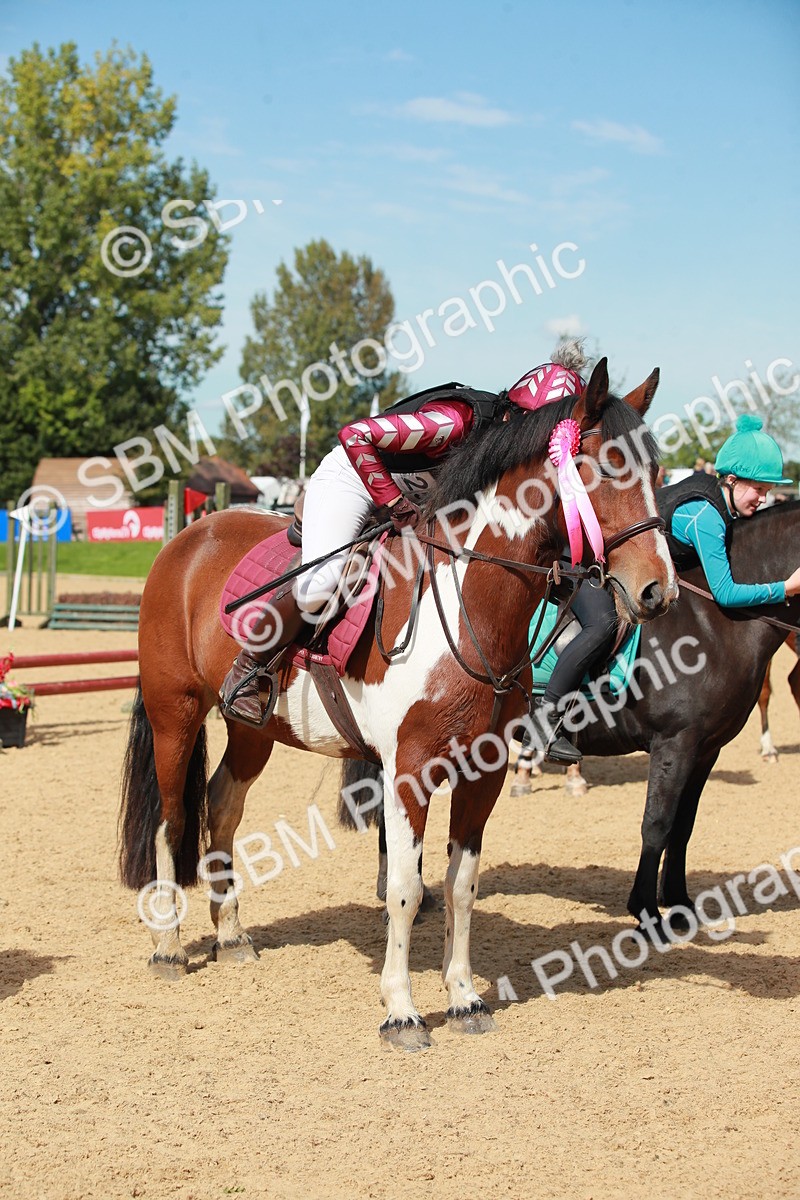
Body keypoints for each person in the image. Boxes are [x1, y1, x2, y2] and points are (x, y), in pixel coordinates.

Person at [219, 341, 592, 726]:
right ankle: (249, 667)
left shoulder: (505, 456)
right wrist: (396, 504)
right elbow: (355, 436)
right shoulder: (454, 422)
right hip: (353, 478)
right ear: (515, 416)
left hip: (411, 500)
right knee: (325, 579)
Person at [660, 413, 800, 606]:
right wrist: (786, 588)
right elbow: (725, 595)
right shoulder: (707, 517)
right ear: (732, 480)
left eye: (767, 491)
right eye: (758, 489)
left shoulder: (715, 495)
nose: (763, 499)